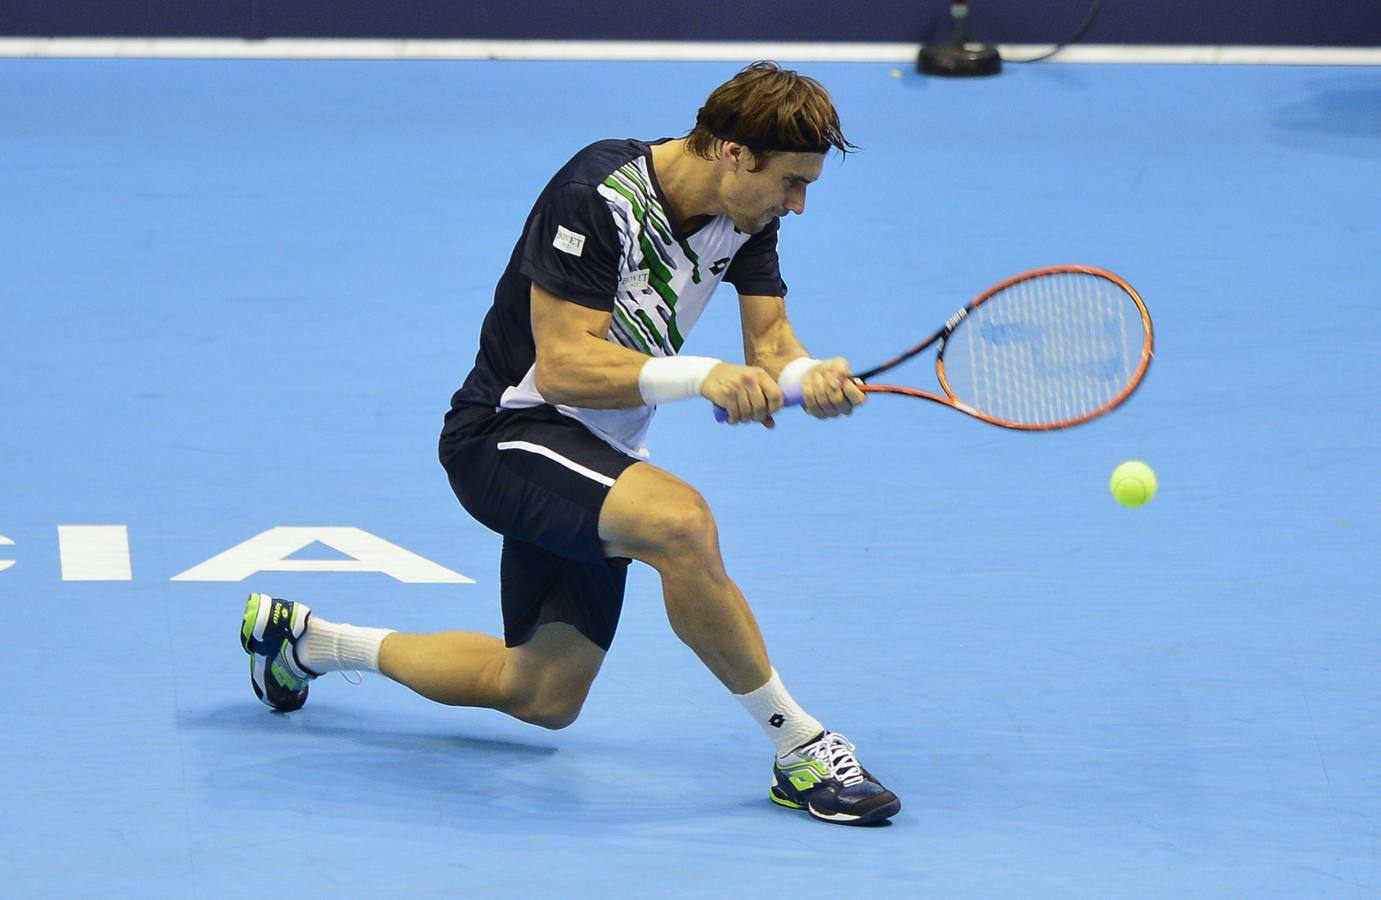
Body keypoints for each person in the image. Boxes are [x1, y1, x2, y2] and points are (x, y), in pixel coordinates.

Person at [239, 60, 899, 826]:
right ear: (730, 153)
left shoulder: (747, 215)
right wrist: (705, 377)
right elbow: (564, 366)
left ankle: (307, 642)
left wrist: (808, 377)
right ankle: (800, 750)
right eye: (791, 181)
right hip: (505, 436)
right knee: (678, 524)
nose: (799, 203)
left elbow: (772, 343)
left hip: (596, 458)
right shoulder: (597, 195)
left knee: (540, 695)